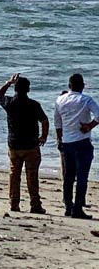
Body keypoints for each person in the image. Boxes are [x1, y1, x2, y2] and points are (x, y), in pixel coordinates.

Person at [0, 73, 49, 214]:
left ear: (15, 89)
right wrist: (43, 136)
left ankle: (14, 203)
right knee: (32, 175)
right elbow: (44, 120)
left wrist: (8, 82)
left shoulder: (10, 103)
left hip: (14, 144)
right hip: (31, 144)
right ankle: (35, 204)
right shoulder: (34, 105)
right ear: (28, 90)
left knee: (14, 174)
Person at [54, 72, 99, 219]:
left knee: (69, 176)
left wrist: (60, 139)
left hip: (67, 142)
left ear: (69, 86)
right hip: (82, 141)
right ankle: (78, 208)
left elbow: (58, 123)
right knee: (81, 177)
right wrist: (89, 126)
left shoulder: (60, 100)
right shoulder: (85, 100)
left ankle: (68, 206)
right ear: (83, 86)